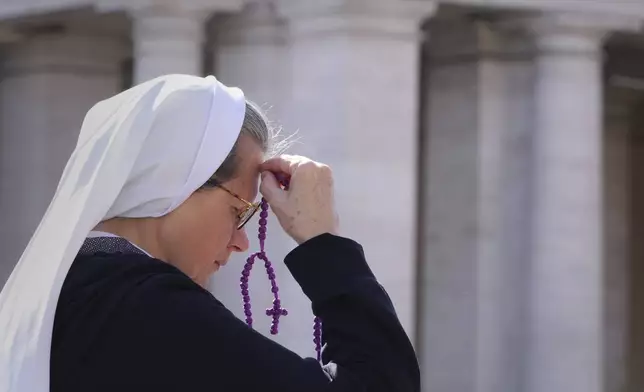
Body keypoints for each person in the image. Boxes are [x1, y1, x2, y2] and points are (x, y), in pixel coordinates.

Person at [0, 74, 419, 392]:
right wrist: (324, 242)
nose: (240, 243)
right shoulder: (144, 309)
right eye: (239, 211)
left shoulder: (65, 293)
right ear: (175, 185)